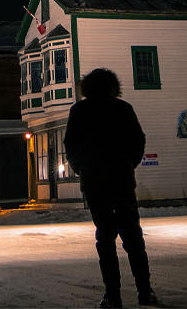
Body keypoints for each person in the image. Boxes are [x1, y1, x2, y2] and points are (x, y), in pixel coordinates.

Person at [64, 68, 157, 308]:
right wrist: (128, 164)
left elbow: (71, 146)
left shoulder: (80, 111)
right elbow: (138, 140)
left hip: (95, 182)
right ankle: (144, 291)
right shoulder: (123, 109)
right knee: (133, 238)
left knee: (105, 240)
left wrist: (83, 169)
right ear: (112, 86)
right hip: (121, 179)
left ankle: (112, 295)